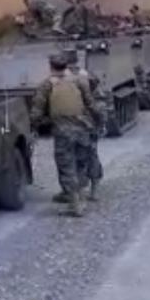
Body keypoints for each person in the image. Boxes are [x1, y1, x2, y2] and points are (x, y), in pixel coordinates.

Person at [30, 52, 98, 216]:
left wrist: (34, 127)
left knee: (66, 166)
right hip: (82, 129)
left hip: (62, 132)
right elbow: (92, 105)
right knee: (81, 164)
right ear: (67, 65)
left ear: (51, 66)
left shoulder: (46, 85)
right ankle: (81, 198)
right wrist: (98, 122)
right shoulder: (80, 81)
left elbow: (36, 112)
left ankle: (75, 205)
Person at [63, 49, 104, 202]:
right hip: (88, 122)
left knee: (73, 159)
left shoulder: (61, 78)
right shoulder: (88, 76)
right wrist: (100, 122)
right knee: (92, 156)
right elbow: (99, 99)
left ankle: (76, 195)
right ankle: (93, 191)